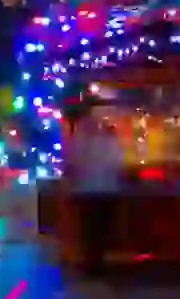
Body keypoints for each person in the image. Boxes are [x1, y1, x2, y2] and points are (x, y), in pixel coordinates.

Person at [72, 117, 124, 275]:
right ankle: (97, 262)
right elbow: (117, 163)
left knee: (91, 230)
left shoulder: (81, 142)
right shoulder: (109, 142)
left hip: (88, 191)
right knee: (100, 229)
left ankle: (93, 262)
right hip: (105, 190)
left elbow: (74, 163)